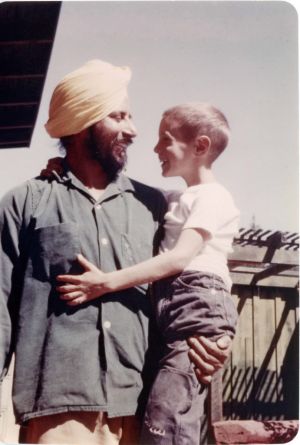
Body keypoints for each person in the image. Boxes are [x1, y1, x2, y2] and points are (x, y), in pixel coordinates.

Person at [0, 60, 232, 445]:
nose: (133, 130)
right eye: (118, 116)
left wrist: (215, 336)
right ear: (81, 121)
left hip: (141, 407)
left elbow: (200, 268)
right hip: (58, 412)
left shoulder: (156, 206)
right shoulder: (26, 203)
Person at [55, 102, 240, 444]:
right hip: (172, 309)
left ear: (200, 146)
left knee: (166, 415)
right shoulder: (180, 197)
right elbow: (126, 188)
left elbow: (179, 259)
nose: (154, 148)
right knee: (162, 408)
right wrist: (65, 167)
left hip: (196, 305)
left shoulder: (213, 197)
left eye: (165, 140)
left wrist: (105, 283)